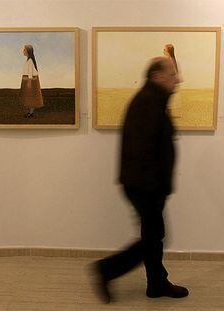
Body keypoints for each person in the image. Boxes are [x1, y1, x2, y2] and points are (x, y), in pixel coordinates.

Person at [93, 57, 189, 303]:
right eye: (173, 74)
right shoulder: (147, 102)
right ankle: (107, 269)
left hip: (146, 184)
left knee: (153, 237)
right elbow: (141, 150)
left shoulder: (153, 100)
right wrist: (157, 187)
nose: (178, 79)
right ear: (157, 77)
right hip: (145, 186)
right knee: (152, 238)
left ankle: (156, 284)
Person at [19, 45, 43, 118]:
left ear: (28, 51)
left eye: (24, 50)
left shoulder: (30, 61)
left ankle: (31, 112)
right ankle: (30, 112)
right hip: (29, 80)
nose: (23, 51)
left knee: (31, 96)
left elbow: (30, 72)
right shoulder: (28, 60)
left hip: (31, 81)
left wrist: (29, 82)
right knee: (29, 96)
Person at [163, 44, 182, 118]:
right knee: (167, 103)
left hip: (169, 85)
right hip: (169, 84)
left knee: (167, 103)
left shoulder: (170, 61)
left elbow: (173, 74)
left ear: (168, 51)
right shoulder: (170, 60)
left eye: (165, 49)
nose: (163, 51)